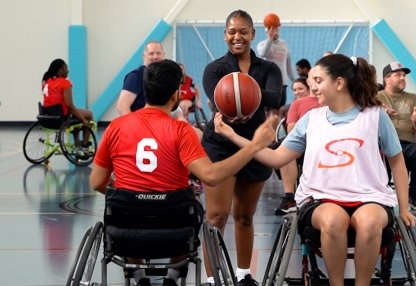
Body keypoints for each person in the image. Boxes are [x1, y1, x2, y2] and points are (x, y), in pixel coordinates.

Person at [214, 54, 416, 285]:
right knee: (333, 220)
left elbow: (398, 164)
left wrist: (404, 208)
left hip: (370, 197)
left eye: (319, 81)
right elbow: (277, 157)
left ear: (339, 83)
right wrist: (233, 136)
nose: (313, 87)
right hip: (320, 199)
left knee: (370, 222)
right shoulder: (311, 119)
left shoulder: (375, 116)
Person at [89, 59, 277, 286]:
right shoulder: (181, 131)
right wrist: (254, 146)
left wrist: (129, 195)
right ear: (175, 95)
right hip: (174, 233)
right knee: (190, 206)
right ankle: (173, 275)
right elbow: (211, 176)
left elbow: (97, 182)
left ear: (144, 90)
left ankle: (138, 275)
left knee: (126, 207)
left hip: (126, 233)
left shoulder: (115, 128)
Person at [201, 10, 283, 285]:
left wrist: (246, 94)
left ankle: (243, 275)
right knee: (216, 217)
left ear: (252, 34)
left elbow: (276, 95)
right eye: (232, 31)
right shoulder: (214, 68)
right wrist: (245, 95)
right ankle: (212, 279)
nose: (238, 37)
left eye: (243, 31)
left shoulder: (269, 68)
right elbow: (217, 99)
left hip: (255, 146)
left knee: (245, 216)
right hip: (221, 145)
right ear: (225, 34)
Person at [376, 61, 416, 211]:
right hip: (385, 143)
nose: (402, 78)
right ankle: (381, 197)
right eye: (398, 75)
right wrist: (382, 114)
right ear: (387, 79)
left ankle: (414, 197)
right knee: (378, 154)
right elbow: (369, 125)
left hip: (407, 143)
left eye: (403, 75)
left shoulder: (412, 98)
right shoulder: (377, 97)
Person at [276, 74, 321, 214]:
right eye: (294, 90)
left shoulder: (330, 101)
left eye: (299, 89)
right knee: (286, 149)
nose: (297, 92)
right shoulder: (297, 104)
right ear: (309, 81)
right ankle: (289, 196)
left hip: (323, 143)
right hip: (304, 143)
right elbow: (292, 130)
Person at [41, 58, 94, 154]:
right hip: (61, 118)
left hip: (47, 118)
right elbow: (70, 105)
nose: (68, 70)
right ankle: (84, 146)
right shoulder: (65, 83)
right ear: (60, 70)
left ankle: (77, 143)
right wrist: (83, 120)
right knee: (88, 115)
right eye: (66, 68)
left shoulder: (47, 82)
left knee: (75, 115)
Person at [116, 41, 165, 116]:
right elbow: (122, 107)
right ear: (144, 56)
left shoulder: (164, 76)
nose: (155, 57)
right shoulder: (135, 76)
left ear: (163, 55)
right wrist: (134, 126)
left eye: (158, 53)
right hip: (140, 124)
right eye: (151, 53)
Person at [257, 13, 294, 109]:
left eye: (277, 30)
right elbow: (263, 53)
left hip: (283, 83)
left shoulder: (284, 44)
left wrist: (294, 79)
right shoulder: (262, 44)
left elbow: (288, 64)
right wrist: (270, 38)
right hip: (269, 83)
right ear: (267, 31)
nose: (275, 33)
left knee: (280, 110)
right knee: (269, 111)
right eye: (273, 31)